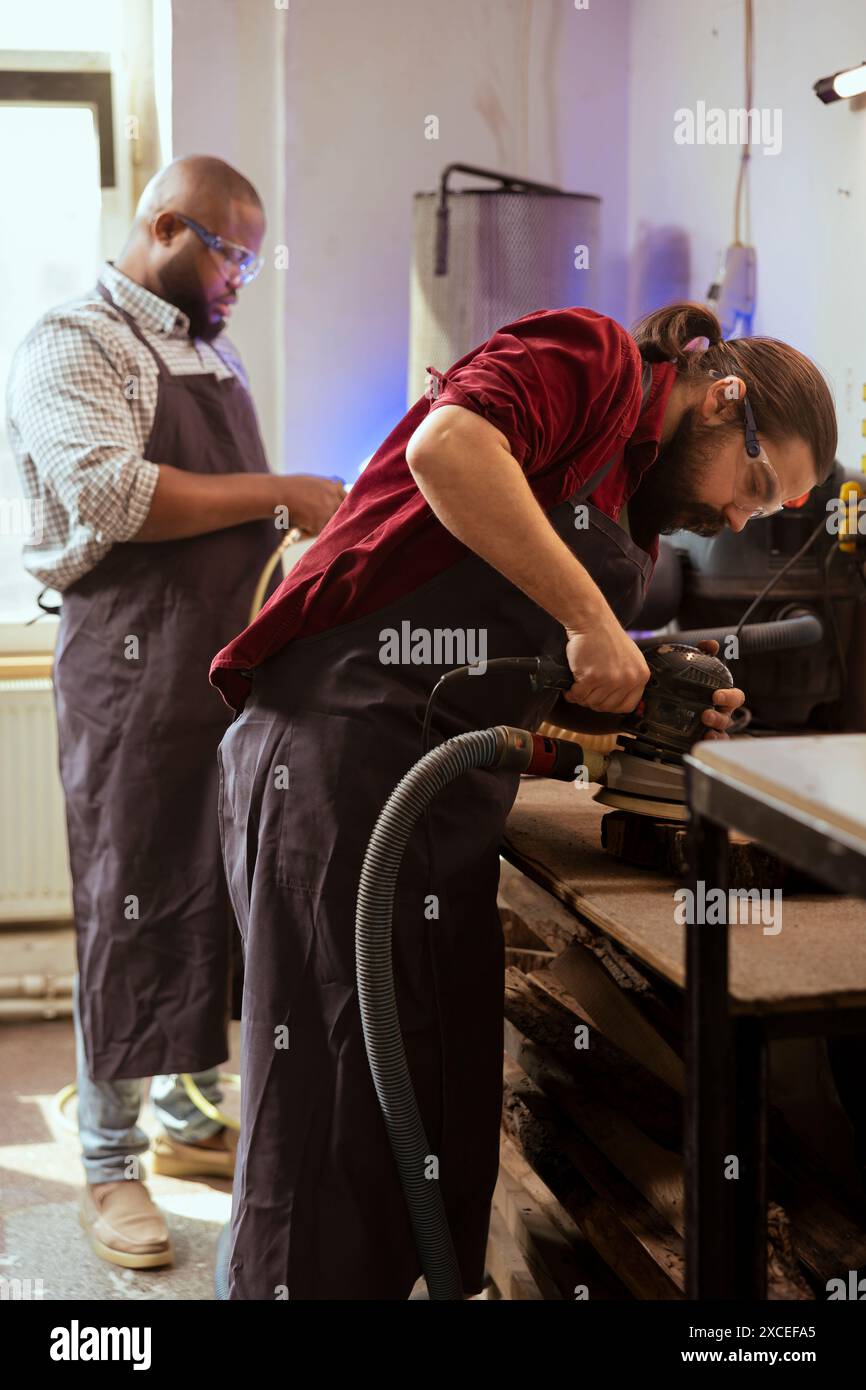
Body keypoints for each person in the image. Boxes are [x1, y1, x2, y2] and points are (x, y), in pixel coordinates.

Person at [210, 300, 836, 1299]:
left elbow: (517, 660)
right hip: (335, 758)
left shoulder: (628, 500)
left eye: (761, 516)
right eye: (751, 485)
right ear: (721, 401)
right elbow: (446, 448)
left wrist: (647, 702)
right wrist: (591, 619)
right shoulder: (585, 356)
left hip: (441, 803)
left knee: (431, 1115)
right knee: (328, 1117)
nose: (733, 518)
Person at [5, 155, 344, 1270]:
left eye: (252, 253)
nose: (244, 273)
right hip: (130, 664)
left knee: (215, 885)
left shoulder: (203, 342)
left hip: (218, 665)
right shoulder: (77, 339)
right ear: (162, 227)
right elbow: (109, 491)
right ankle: (107, 1159)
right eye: (228, 251)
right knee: (129, 894)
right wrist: (281, 492)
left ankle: (188, 1115)